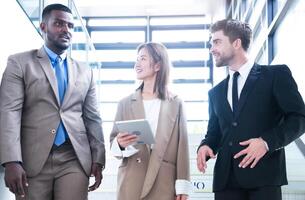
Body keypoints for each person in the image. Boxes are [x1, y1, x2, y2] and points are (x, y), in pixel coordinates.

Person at [0, 3, 105, 200]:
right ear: (43, 27)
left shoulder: (85, 71)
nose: (66, 29)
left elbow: (92, 117)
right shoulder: (19, 63)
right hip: (32, 159)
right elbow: (9, 112)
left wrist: (98, 158)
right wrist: (11, 160)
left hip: (73, 157)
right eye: (58, 23)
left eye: (70, 26)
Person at [196, 19, 305, 200]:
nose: (211, 49)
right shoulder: (215, 93)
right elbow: (214, 133)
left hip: (264, 178)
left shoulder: (275, 75)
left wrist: (266, 142)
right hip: (225, 182)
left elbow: (299, 118)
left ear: (237, 43)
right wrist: (206, 145)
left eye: (216, 42)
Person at [110, 42, 191, 200]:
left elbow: (183, 147)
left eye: (143, 59)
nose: (137, 63)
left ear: (158, 65)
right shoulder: (124, 103)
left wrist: (183, 186)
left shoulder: (176, 103)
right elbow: (113, 143)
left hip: (163, 182)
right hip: (132, 179)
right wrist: (119, 144)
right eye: (137, 59)